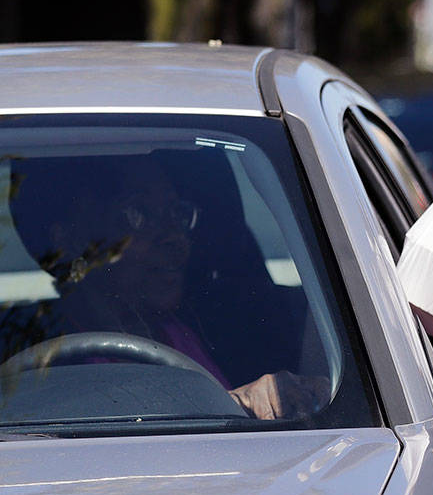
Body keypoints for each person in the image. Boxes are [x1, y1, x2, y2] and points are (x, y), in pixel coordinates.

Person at [8, 155, 326, 420]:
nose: (174, 237)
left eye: (176, 214)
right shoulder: (23, 357)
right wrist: (234, 402)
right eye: (138, 215)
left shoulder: (222, 324)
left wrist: (300, 391)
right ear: (70, 240)